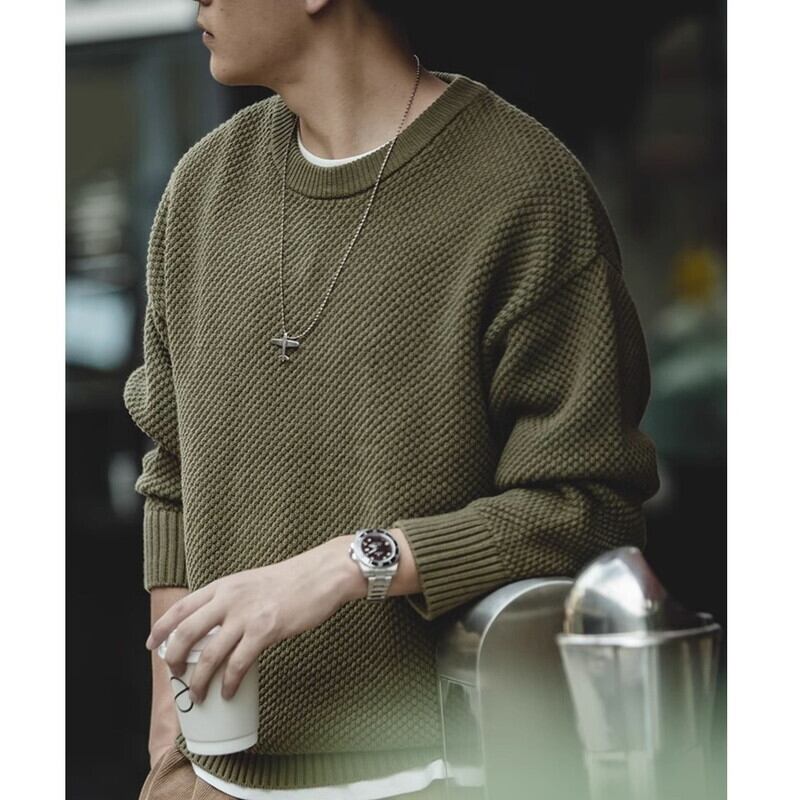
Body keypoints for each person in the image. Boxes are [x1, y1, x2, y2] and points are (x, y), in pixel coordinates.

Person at [123, 1, 660, 798]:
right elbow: (172, 475)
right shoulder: (201, 190)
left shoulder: (522, 187)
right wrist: (170, 747)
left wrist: (351, 565)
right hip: (212, 780)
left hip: (438, 777)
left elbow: (588, 506)